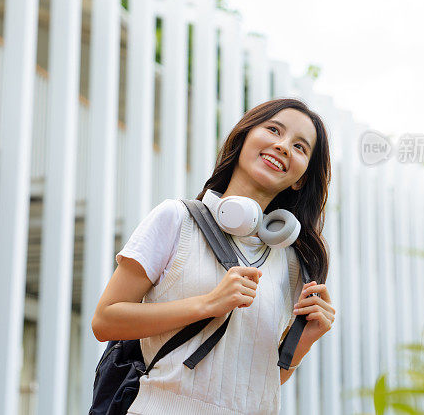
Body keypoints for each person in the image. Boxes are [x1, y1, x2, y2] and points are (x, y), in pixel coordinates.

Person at [91, 98, 336, 414]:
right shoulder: (176, 220)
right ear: (243, 138)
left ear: (301, 177)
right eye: (274, 130)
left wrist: (304, 340)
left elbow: (257, 384)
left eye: (300, 147)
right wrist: (208, 304)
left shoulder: (290, 265)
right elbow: (105, 320)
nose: (284, 146)